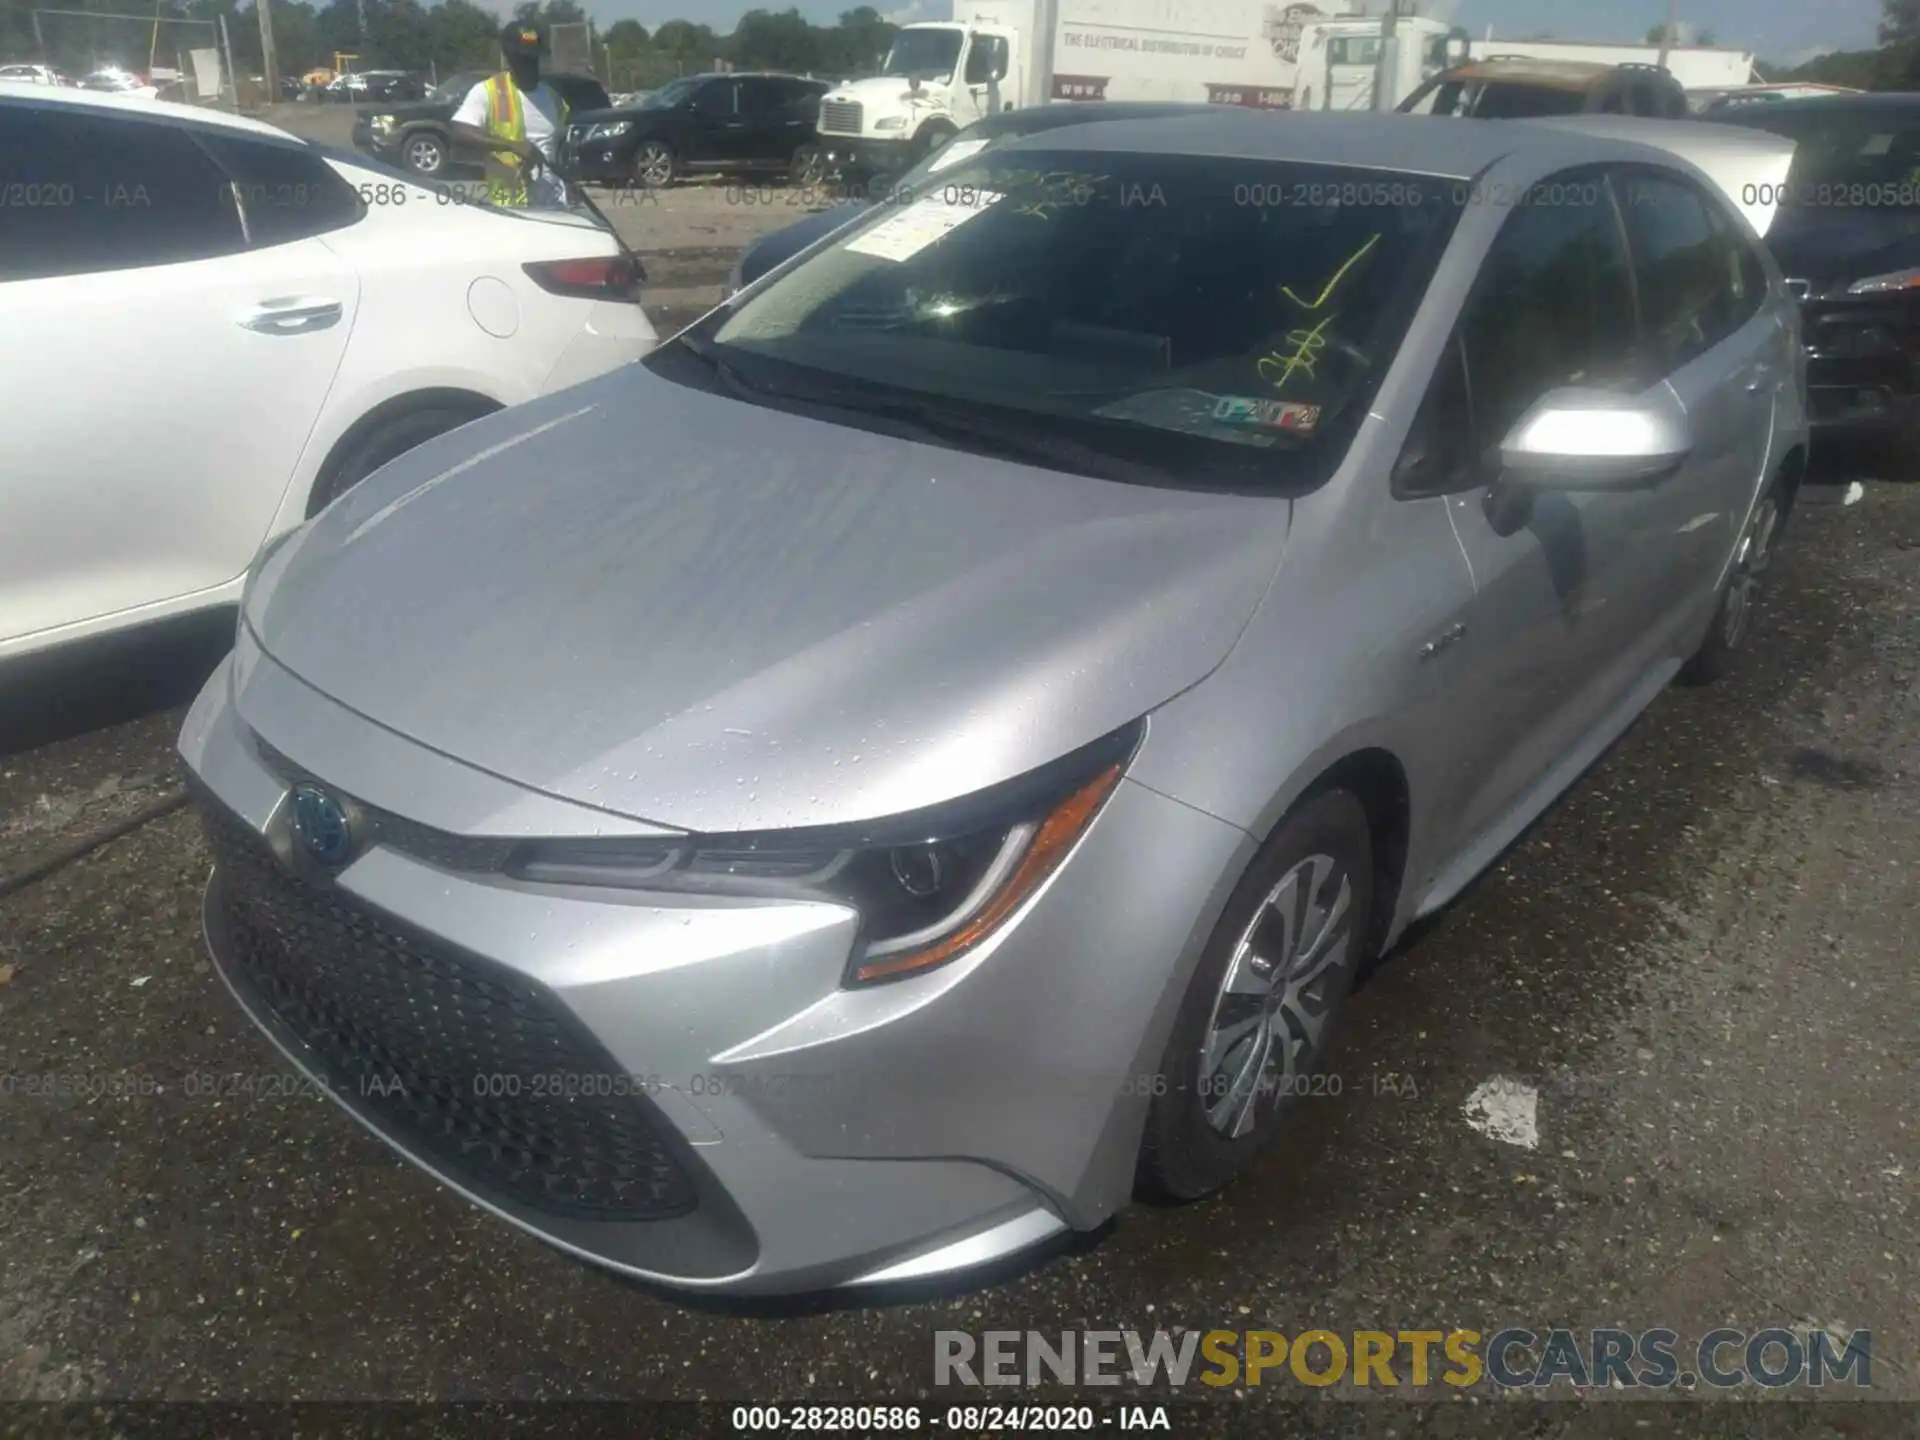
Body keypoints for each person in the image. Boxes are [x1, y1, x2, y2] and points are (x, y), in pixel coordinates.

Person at [450, 23, 571, 208]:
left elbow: (561, 144)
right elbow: (459, 131)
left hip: (553, 204)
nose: (529, 63)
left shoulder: (553, 98)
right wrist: (511, 145)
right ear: (508, 56)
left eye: (533, 57)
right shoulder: (488, 91)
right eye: (522, 58)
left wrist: (570, 181)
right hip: (510, 207)